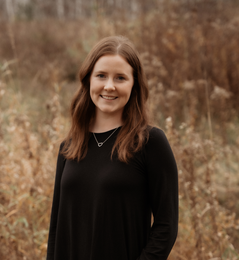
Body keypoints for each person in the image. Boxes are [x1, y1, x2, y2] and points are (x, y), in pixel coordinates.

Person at [46, 35, 178, 260]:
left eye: (120, 78)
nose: (109, 86)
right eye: (101, 76)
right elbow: (56, 228)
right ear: (88, 79)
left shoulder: (150, 142)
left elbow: (166, 225)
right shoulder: (69, 146)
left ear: (134, 84)